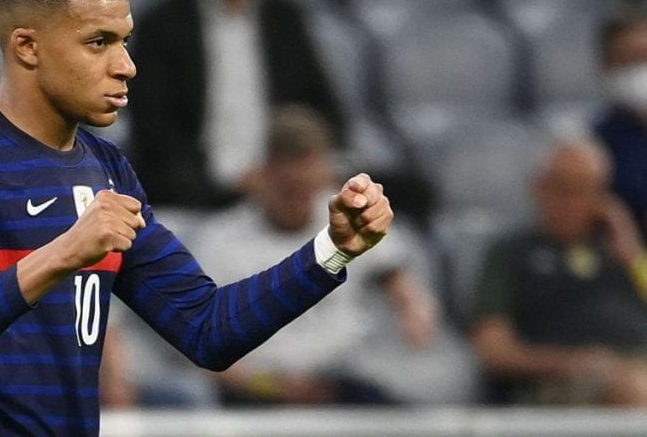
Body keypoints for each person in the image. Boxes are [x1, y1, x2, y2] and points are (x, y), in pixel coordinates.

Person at [0, 0, 393, 437]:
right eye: (98, 42)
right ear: (27, 47)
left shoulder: (107, 171)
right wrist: (64, 252)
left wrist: (331, 251)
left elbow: (207, 329)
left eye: (124, 41)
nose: (126, 65)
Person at [188, 105, 477, 405]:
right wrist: (271, 387)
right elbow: (202, 343)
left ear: (323, 176)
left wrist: (412, 309)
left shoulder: (347, 220)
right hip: (257, 390)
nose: (297, 200)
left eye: (306, 188)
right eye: (288, 189)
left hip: (342, 381)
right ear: (262, 176)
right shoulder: (220, 242)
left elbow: (398, 279)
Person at [126, 0, 344, 209]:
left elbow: (322, 110)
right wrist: (232, 181)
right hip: (200, 190)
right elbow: (154, 131)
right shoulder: (161, 25)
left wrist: (298, 166)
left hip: (286, 182)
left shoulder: (284, 18)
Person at [470, 137, 647, 406]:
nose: (571, 201)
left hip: (637, 368)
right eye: (561, 187)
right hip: (562, 382)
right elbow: (493, 350)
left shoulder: (624, 251)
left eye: (584, 189)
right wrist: (569, 362)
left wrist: (632, 255)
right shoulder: (511, 253)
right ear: (538, 186)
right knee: (631, 387)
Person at [593, 2, 647, 239]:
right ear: (605, 67)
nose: (639, 70)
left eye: (644, 57)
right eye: (626, 60)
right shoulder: (593, 144)